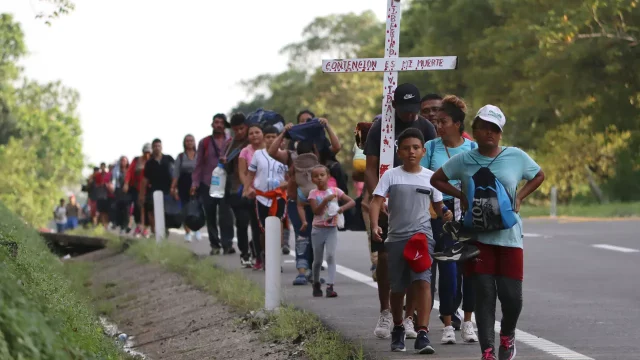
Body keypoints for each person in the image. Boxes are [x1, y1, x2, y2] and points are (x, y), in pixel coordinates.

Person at [430, 105, 545, 360]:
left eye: (495, 129)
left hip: (509, 237)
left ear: (500, 133)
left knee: (511, 296)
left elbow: (538, 175)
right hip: (478, 237)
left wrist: (520, 198)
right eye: (484, 127)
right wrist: (461, 195)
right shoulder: (464, 159)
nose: (489, 133)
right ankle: (489, 352)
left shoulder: (515, 156)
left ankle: (508, 335)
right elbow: (436, 179)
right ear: (475, 130)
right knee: (484, 296)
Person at [364, 83, 437, 339]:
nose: (409, 115)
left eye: (413, 109)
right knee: (385, 259)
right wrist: (379, 197)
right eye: (404, 110)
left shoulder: (427, 129)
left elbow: (432, 170)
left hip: (415, 203)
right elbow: (370, 168)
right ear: (394, 106)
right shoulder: (380, 127)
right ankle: (386, 311)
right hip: (385, 197)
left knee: (417, 260)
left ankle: (409, 316)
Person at [369, 128, 451, 354]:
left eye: (416, 148)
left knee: (423, 282)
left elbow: (438, 204)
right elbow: (376, 202)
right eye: (406, 148)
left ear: (423, 151)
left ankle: (423, 333)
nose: (411, 152)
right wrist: (375, 225)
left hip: (422, 237)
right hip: (396, 238)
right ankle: (398, 327)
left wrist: (445, 212)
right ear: (399, 152)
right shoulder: (391, 175)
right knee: (398, 288)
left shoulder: (431, 177)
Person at [420, 95, 479, 344]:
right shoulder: (431, 147)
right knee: (447, 268)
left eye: (443, 121)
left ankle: (468, 321)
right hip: (440, 212)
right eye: (437, 121)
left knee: (472, 267)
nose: (438, 125)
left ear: (457, 123)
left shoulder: (473, 149)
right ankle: (447, 323)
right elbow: (422, 179)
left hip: (470, 211)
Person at [268, 117, 340, 285]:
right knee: (302, 235)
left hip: (319, 204)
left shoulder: (321, 153)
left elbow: (336, 146)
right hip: (296, 202)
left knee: (316, 237)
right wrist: (284, 133)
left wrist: (327, 125)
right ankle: (302, 270)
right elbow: (272, 152)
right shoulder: (291, 155)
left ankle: (311, 272)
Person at [244, 125, 289, 271]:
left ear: (279, 138)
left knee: (278, 227)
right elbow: (250, 173)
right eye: (268, 137)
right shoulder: (258, 155)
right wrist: (247, 188)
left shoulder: (284, 155)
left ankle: (276, 260)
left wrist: (286, 184)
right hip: (262, 196)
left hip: (279, 197)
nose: (270, 139)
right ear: (264, 138)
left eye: (273, 137)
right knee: (263, 229)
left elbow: (291, 177)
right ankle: (265, 258)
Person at [307, 165, 355, 298]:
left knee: (330, 256)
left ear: (328, 176)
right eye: (316, 176)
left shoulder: (335, 190)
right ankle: (316, 283)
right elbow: (316, 211)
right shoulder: (313, 194)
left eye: (322, 175)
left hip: (331, 229)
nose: (320, 178)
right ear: (313, 180)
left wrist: (341, 209)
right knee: (317, 261)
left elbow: (351, 202)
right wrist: (325, 201)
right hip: (317, 230)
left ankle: (330, 286)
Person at [191, 114, 235, 255]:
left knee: (226, 215)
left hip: (225, 183)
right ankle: (215, 245)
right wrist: (195, 183)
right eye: (216, 122)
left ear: (225, 125)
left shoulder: (231, 141)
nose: (219, 125)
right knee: (210, 214)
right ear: (212, 124)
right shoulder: (204, 142)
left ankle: (227, 244)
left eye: (221, 123)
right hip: (207, 183)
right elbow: (198, 164)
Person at [221, 113, 252, 265]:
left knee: (258, 222)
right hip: (236, 188)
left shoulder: (254, 139)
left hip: (254, 186)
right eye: (236, 130)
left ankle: (256, 250)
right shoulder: (229, 145)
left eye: (241, 128)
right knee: (242, 222)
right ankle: (245, 253)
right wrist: (224, 162)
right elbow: (226, 170)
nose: (239, 132)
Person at [139, 138, 175, 235]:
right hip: (154, 190)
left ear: (161, 147)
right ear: (152, 148)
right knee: (151, 211)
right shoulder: (149, 163)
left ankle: (165, 229)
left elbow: (175, 174)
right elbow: (145, 180)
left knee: (166, 212)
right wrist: (141, 195)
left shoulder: (169, 159)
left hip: (167, 190)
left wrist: (175, 188)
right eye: (155, 146)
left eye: (158, 146)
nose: (157, 148)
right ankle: (155, 232)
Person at [171, 134, 201, 242]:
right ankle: (187, 232)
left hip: (197, 183)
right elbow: (176, 173)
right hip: (184, 184)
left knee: (197, 208)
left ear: (194, 142)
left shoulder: (199, 155)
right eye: (187, 141)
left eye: (191, 140)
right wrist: (173, 187)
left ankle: (196, 229)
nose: (189, 142)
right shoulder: (180, 156)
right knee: (186, 208)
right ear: (184, 143)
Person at [125, 144, 152, 238]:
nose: (147, 155)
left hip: (148, 188)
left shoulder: (152, 161)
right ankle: (139, 226)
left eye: (149, 153)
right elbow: (129, 172)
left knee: (147, 208)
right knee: (137, 207)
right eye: (146, 153)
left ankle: (146, 229)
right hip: (136, 188)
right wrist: (126, 183)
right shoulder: (136, 160)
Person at [111, 156, 131, 234]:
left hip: (127, 192)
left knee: (126, 209)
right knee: (118, 208)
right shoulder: (116, 170)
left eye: (125, 160)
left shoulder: (129, 170)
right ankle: (118, 223)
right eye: (122, 160)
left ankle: (125, 226)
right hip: (118, 191)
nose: (123, 162)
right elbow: (113, 180)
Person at [94, 162, 112, 228]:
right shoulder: (98, 175)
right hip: (100, 195)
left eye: (103, 167)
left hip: (107, 195)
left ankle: (106, 224)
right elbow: (96, 184)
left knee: (106, 211)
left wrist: (106, 185)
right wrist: (100, 185)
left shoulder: (108, 174)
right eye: (101, 167)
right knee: (100, 211)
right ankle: (101, 224)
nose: (102, 168)